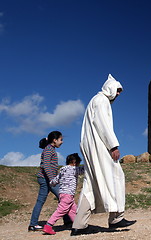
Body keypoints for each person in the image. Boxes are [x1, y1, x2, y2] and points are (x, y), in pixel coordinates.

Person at [71, 74, 136, 236]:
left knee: (91, 183)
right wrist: (113, 145)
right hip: (99, 146)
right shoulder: (101, 101)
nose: (119, 94)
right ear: (110, 88)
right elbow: (102, 124)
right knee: (116, 175)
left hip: (92, 146)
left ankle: (79, 225)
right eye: (118, 90)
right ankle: (116, 218)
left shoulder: (95, 100)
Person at [28, 131, 71, 231]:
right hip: (47, 179)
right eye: (61, 140)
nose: (62, 142)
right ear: (54, 140)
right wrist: (52, 179)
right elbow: (46, 165)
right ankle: (68, 221)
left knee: (57, 199)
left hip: (46, 178)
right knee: (64, 197)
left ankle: (33, 224)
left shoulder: (50, 149)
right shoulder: (48, 150)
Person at [43, 153, 85, 235]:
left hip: (63, 193)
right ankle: (48, 225)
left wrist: (51, 183)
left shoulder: (62, 170)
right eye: (78, 163)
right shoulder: (74, 169)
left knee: (73, 210)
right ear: (74, 162)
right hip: (68, 194)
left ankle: (78, 225)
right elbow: (84, 170)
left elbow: (55, 180)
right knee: (61, 210)